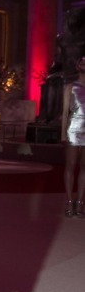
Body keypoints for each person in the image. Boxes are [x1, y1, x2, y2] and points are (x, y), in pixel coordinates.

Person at [61, 55, 85, 217]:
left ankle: (80, 203)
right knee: (70, 165)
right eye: (82, 61)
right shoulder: (70, 86)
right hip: (73, 128)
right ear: (77, 65)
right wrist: (63, 133)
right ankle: (69, 201)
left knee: (84, 168)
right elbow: (64, 113)